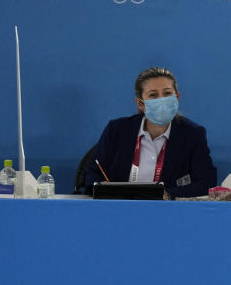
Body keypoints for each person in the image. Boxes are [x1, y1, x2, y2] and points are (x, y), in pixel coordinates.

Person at [83, 67, 216, 198]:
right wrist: (108, 192)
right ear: (140, 104)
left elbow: (206, 183)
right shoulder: (117, 130)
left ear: (177, 97)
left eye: (167, 93)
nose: (161, 100)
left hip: (167, 212)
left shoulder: (192, 135)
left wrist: (165, 194)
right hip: (119, 209)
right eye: (153, 95)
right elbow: (92, 174)